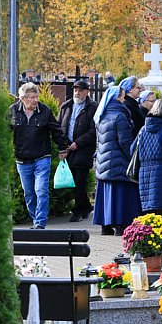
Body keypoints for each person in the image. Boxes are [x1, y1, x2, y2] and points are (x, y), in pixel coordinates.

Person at [11, 83, 70, 229]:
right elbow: (4, 133)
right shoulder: (12, 111)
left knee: (41, 190)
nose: (35, 100)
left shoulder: (45, 111)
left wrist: (63, 148)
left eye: (36, 96)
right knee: (29, 194)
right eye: (32, 97)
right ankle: (35, 219)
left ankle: (40, 223)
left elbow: (56, 130)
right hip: (22, 159)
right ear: (23, 98)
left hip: (42, 157)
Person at [93, 86, 141, 236]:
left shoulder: (102, 114)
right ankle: (120, 224)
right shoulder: (120, 116)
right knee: (120, 196)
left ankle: (105, 226)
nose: (124, 99)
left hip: (104, 162)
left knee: (106, 196)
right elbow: (125, 142)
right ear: (118, 98)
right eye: (122, 97)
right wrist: (133, 158)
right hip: (118, 162)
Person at [58, 80, 98, 222]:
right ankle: (86, 206)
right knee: (72, 182)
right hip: (68, 149)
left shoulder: (93, 107)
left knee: (79, 181)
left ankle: (78, 211)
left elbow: (93, 131)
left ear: (87, 91)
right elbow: (60, 127)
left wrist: (78, 143)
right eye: (75, 89)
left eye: (80, 90)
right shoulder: (66, 106)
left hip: (83, 149)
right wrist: (63, 146)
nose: (77, 92)